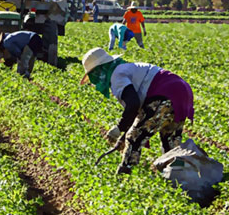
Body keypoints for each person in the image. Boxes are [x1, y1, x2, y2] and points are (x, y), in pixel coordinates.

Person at [80, 47, 194, 175]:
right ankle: (180, 175)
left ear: (98, 71)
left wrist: (120, 128)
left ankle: (125, 175)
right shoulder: (126, 68)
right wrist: (122, 137)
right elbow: (139, 113)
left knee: (134, 137)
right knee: (170, 139)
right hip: (182, 91)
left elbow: (133, 104)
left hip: (164, 94)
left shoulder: (116, 75)